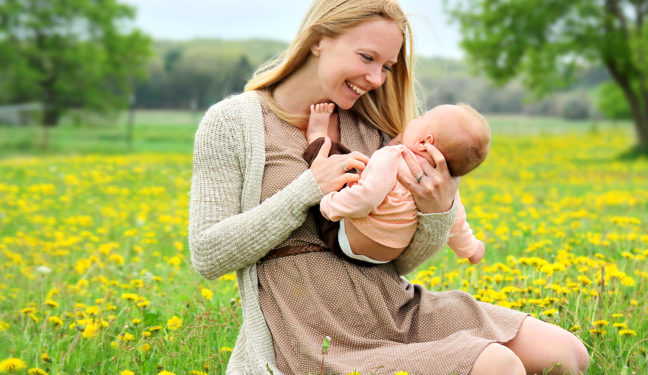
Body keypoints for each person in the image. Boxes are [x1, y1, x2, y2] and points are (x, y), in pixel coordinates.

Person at [188, 0, 590, 374]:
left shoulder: (374, 128)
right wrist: (309, 188)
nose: (376, 78)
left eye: (387, 66)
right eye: (367, 57)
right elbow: (207, 254)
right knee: (497, 366)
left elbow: (395, 259)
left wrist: (436, 210)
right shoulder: (233, 122)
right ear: (318, 41)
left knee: (569, 355)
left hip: (392, 304)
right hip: (315, 334)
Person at [302, 102, 488, 265]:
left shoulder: (392, 156)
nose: (413, 120)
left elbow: (367, 197)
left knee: (343, 163)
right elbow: (456, 223)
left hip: (348, 241)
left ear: (424, 142)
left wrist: (328, 204)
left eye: (421, 117)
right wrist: (472, 250)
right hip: (385, 257)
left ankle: (317, 133)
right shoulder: (444, 185)